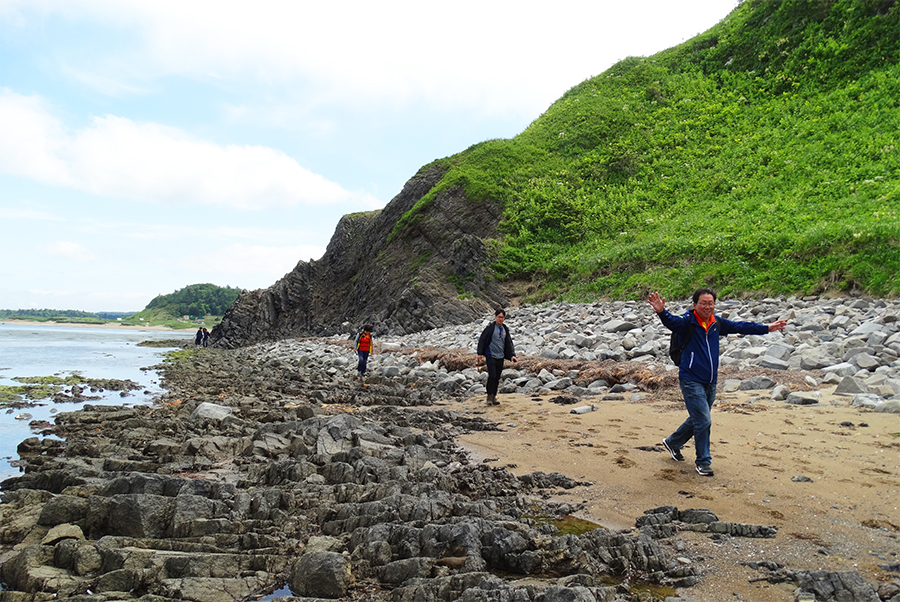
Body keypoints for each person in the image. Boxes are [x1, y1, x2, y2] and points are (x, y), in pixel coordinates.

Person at [648, 288, 787, 477]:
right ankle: (703, 462)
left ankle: (673, 442)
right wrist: (661, 311)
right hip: (690, 379)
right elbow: (671, 322)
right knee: (703, 420)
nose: (707, 306)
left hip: (710, 381)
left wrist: (767, 328)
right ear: (695, 304)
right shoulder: (687, 322)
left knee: (698, 418)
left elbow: (741, 326)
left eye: (711, 303)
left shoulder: (716, 323)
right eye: (703, 303)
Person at [476, 309, 517, 406]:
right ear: (495, 317)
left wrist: (512, 355)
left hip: (500, 356)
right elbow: (482, 339)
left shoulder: (505, 329)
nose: (500, 319)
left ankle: (494, 396)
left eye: (502, 317)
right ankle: (489, 397)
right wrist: (480, 353)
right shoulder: (490, 328)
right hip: (491, 356)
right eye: (499, 317)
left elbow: (508, 343)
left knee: (497, 377)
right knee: (492, 376)